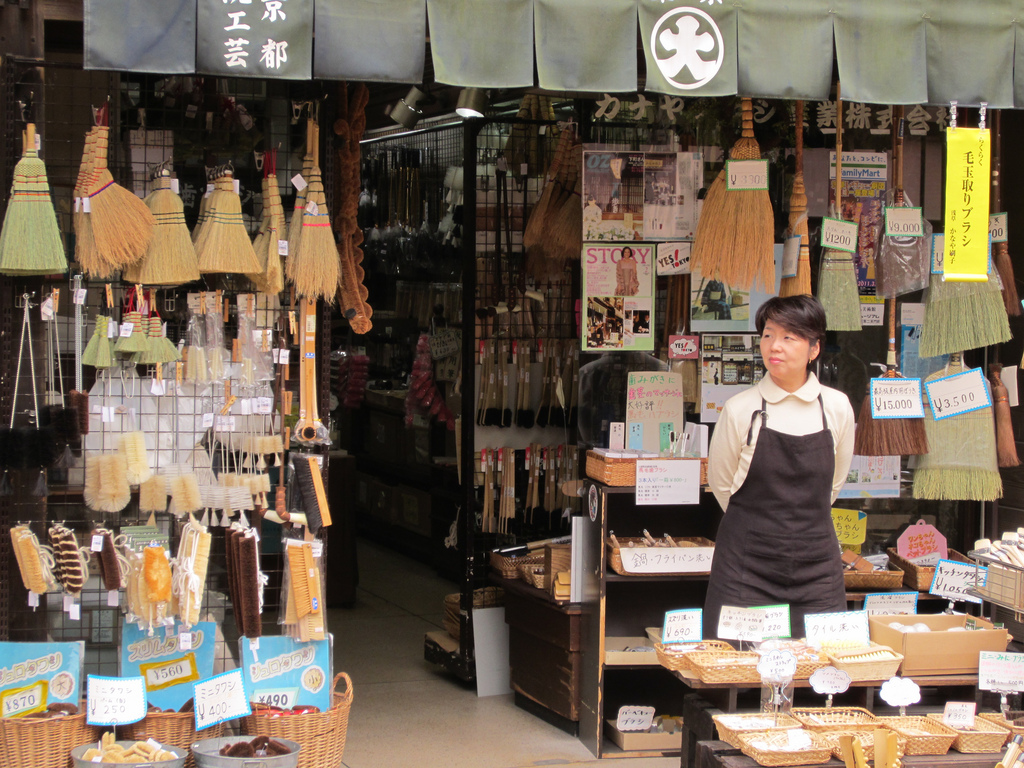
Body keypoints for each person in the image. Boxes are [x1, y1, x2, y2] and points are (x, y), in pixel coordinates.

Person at [704, 295, 855, 640]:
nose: (775, 346)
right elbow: (722, 485)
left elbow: (834, 485)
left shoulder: (836, 407)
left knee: (818, 668)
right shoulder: (740, 409)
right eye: (769, 335)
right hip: (746, 565)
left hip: (816, 566)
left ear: (814, 349)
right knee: (737, 669)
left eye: (790, 337)